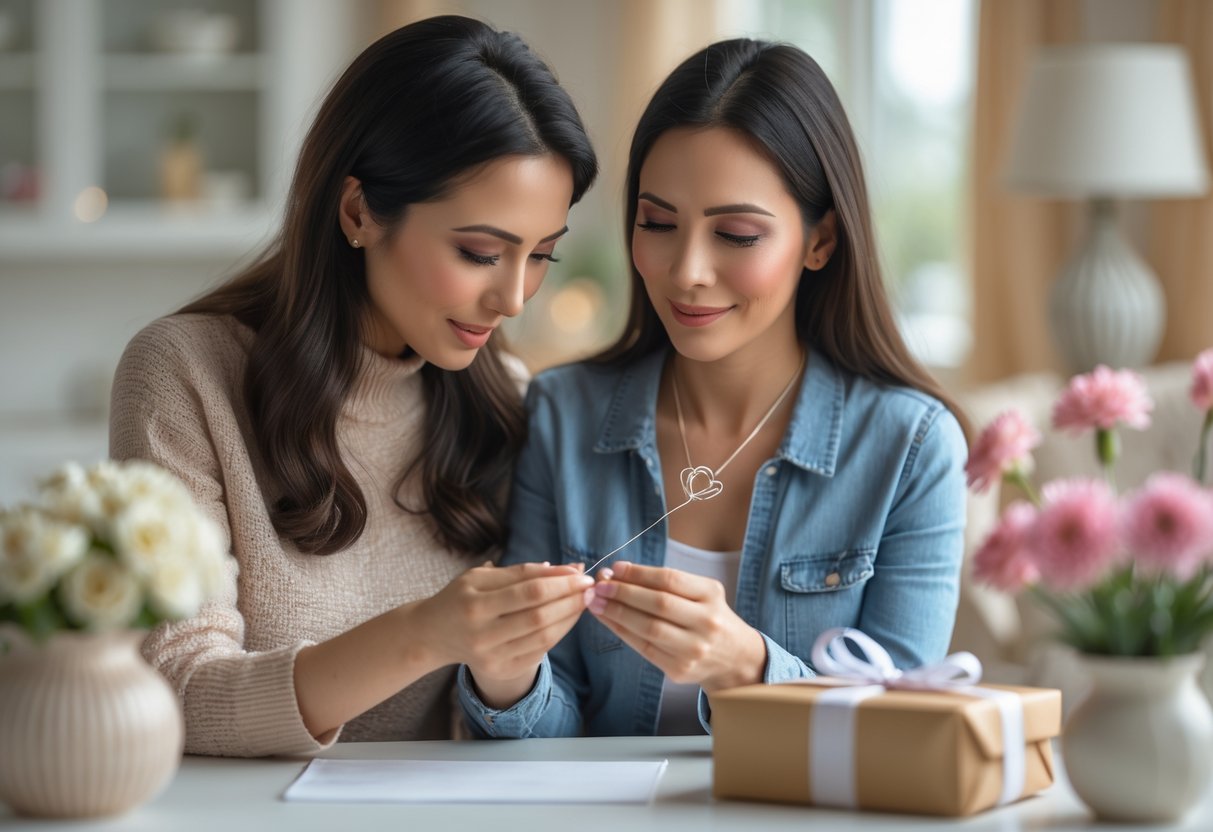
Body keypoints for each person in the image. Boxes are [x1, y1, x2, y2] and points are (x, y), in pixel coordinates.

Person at [109, 16, 599, 757]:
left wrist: (509, 672)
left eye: (541, 257)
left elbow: (502, 726)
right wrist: (423, 633)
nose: (514, 300)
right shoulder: (183, 373)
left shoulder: (505, 392)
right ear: (358, 212)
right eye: (479, 252)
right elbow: (175, 694)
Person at [458, 38, 970, 738]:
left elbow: (905, 735)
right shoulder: (562, 415)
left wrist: (749, 669)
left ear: (819, 241)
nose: (686, 270)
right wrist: (504, 675)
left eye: (735, 233)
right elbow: (550, 735)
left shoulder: (909, 447)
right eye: (658, 223)